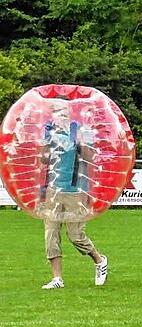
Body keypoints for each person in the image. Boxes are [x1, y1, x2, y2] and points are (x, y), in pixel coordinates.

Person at [39, 104, 108, 289]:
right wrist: (45, 141)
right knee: (51, 234)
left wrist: (79, 141)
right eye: (56, 113)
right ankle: (57, 279)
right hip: (53, 190)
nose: (59, 116)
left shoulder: (80, 130)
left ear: (69, 114)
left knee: (75, 235)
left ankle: (99, 260)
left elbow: (90, 157)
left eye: (62, 113)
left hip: (75, 190)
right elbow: (44, 160)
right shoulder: (50, 131)